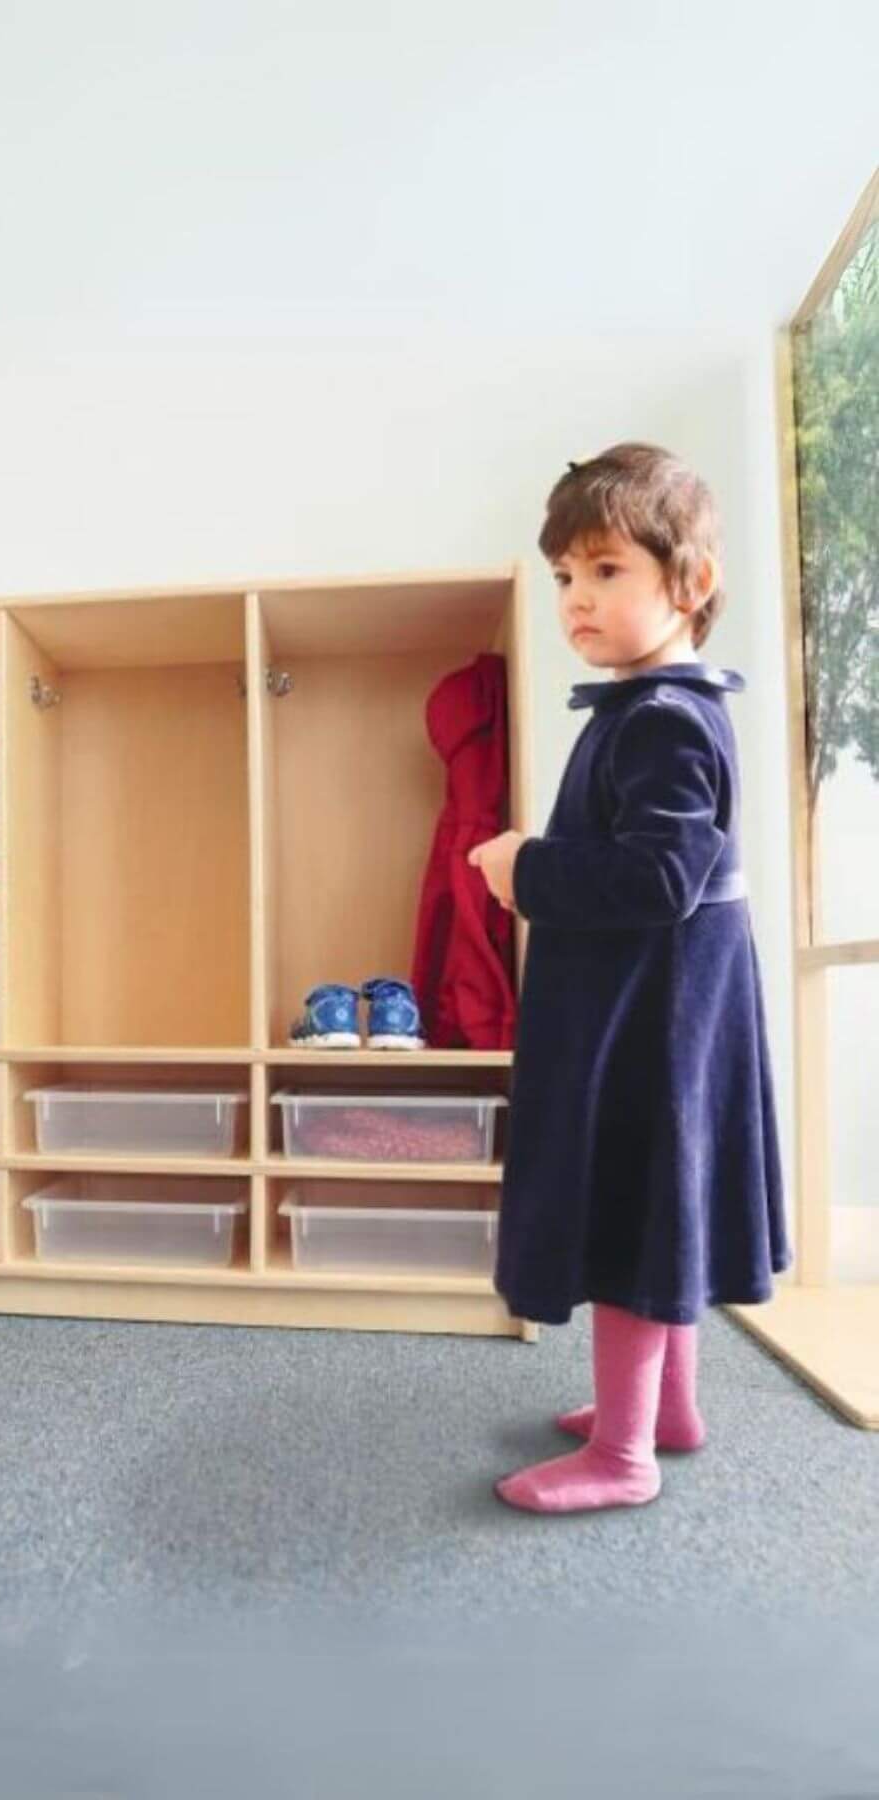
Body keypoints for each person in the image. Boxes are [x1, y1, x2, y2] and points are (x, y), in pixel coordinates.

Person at [466, 443, 790, 1514]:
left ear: (690, 584)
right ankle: (665, 1409)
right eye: (564, 574)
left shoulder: (659, 718)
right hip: (671, 1004)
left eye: (607, 571)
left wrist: (528, 869)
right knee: (668, 1197)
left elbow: (662, 873)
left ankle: (624, 1457)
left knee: (633, 1208)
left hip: (657, 1016)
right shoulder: (657, 706)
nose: (576, 598)